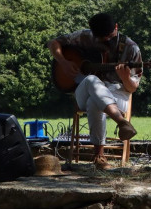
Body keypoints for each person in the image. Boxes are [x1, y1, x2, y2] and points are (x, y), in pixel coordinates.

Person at [48, 13, 141, 170]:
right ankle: (121, 122)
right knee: (91, 80)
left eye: (108, 36)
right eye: (100, 38)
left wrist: (125, 78)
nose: (105, 40)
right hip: (83, 90)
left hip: (117, 93)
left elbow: (132, 88)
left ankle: (99, 157)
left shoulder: (131, 49)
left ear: (116, 27)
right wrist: (63, 62)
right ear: (93, 32)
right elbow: (53, 43)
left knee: (94, 101)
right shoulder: (85, 36)